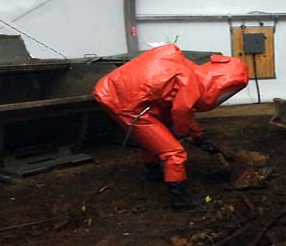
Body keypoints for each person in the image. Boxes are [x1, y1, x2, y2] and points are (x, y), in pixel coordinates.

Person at [93, 44, 248, 209]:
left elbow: (183, 112)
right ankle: (181, 200)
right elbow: (182, 112)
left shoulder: (187, 71)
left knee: (154, 137)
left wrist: (199, 136)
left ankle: (154, 173)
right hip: (126, 103)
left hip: (117, 93)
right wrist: (180, 134)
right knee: (174, 152)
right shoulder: (190, 84)